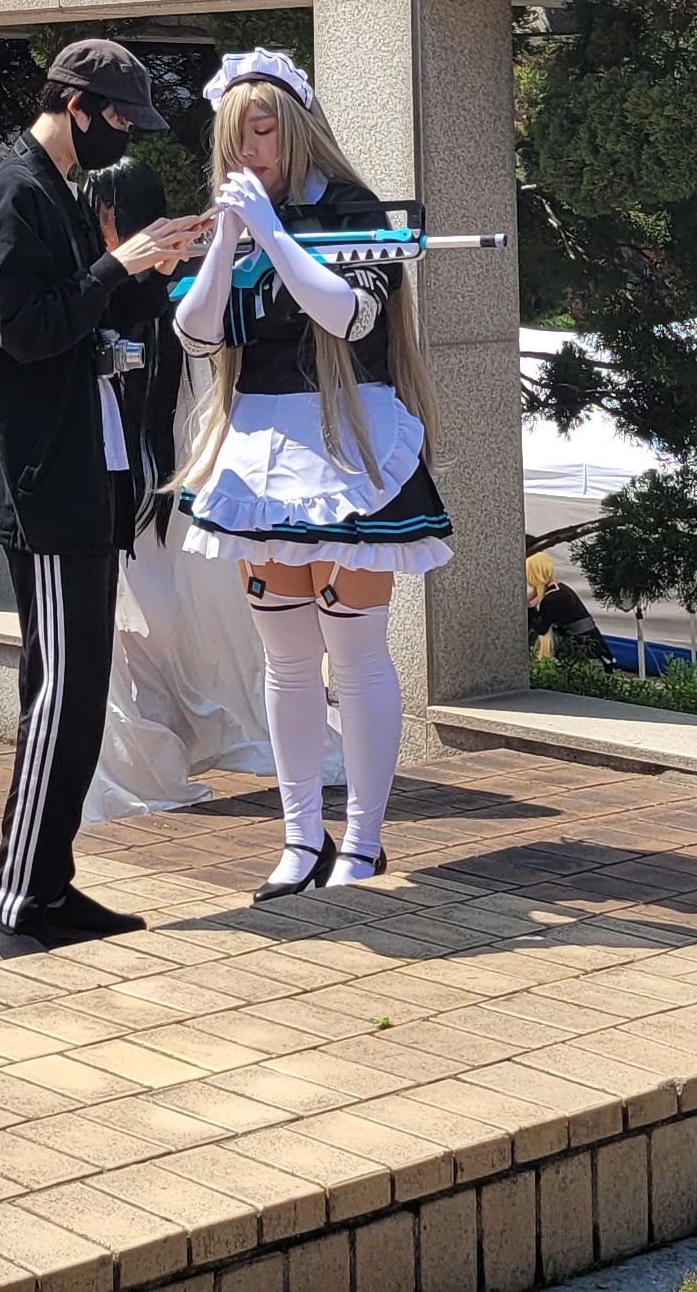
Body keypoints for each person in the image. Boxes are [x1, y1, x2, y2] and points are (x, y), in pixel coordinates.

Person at [0, 37, 211, 962]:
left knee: (79, 688)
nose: (124, 136)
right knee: (62, 692)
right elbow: (24, 329)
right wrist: (114, 266)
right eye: (120, 118)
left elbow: (83, 319)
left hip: (81, 475)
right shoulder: (17, 190)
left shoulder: (54, 192)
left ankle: (46, 884)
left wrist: (150, 272)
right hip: (45, 483)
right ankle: (12, 901)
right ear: (77, 106)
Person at [170, 46, 452, 894]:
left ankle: (363, 840)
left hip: (348, 442)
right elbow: (196, 333)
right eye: (234, 135)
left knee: (354, 652)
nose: (247, 149)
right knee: (287, 661)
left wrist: (270, 232)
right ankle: (300, 839)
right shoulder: (241, 218)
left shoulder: (354, 211)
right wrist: (229, 239)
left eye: (262, 130)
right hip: (259, 447)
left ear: (295, 129)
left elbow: (349, 317)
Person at [84, 155, 311, 818]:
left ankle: (174, 745)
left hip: (172, 488)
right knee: (136, 631)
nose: (97, 228)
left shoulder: (176, 287)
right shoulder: (107, 283)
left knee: (179, 622)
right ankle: (149, 752)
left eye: (103, 213)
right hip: (133, 492)